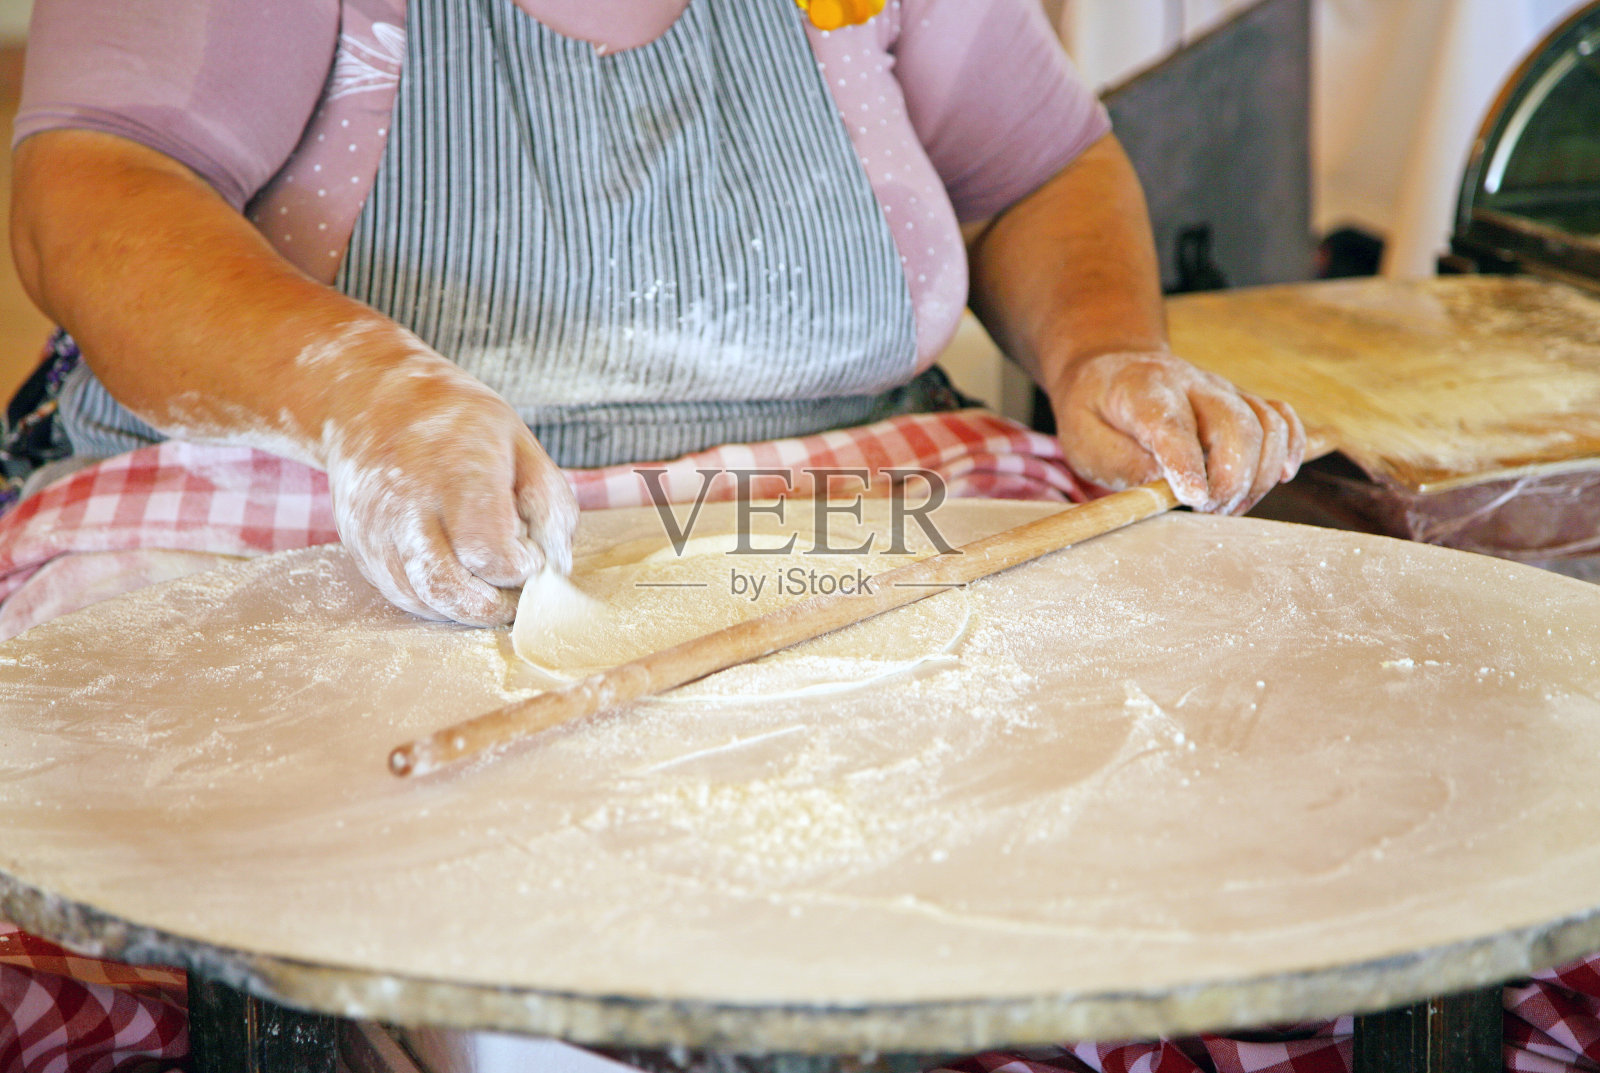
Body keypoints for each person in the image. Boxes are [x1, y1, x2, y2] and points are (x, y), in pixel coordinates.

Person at [0, 0, 1318, 1069]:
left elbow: (1041, 168)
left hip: (851, 479)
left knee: (1136, 816)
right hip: (317, 483)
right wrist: (366, 393)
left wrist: (1103, 353)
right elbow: (100, 180)